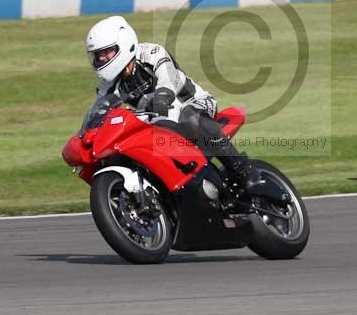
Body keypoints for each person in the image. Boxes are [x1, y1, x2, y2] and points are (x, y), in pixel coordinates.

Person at [85, 15, 263, 190]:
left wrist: (160, 100)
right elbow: (102, 108)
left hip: (192, 103)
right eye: (98, 55)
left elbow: (167, 82)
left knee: (190, 118)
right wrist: (89, 133)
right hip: (157, 119)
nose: (102, 59)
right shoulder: (108, 84)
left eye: (107, 52)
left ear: (124, 43)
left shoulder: (151, 54)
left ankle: (243, 170)